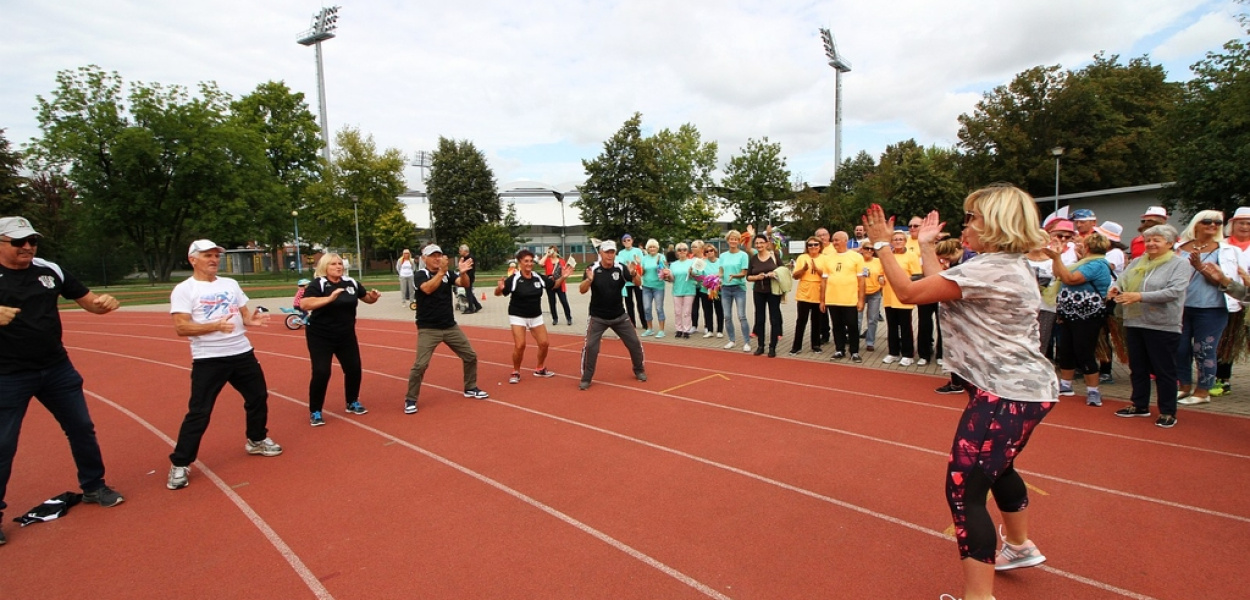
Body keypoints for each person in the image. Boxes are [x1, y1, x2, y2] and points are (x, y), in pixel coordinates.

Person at [865, 185, 1056, 600]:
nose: (966, 225)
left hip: (1005, 392)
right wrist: (925, 246)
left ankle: (978, 596)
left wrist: (883, 245)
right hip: (1020, 390)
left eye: (974, 218)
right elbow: (941, 285)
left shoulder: (993, 268)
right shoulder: (999, 264)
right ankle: (1020, 546)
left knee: (965, 489)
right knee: (999, 467)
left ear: (998, 224)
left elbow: (910, 293)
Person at [0, 216, 124, 545]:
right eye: (17, 242)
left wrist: (104, 305)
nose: (27, 246)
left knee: (81, 426)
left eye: (31, 240)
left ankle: (94, 486)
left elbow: (89, 302)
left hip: (56, 368)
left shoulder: (48, 269)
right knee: (3, 444)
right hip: (8, 374)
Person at [169, 240, 282, 491]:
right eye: (207, 255)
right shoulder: (184, 290)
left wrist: (252, 321)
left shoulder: (230, 284)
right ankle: (180, 463)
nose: (213, 259)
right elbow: (181, 327)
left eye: (216, 256)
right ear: (193, 259)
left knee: (258, 397)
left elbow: (244, 316)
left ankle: (256, 439)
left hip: (242, 352)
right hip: (209, 358)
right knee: (200, 411)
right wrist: (215, 326)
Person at [1108, 224, 1190, 428]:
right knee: (1138, 367)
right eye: (1148, 240)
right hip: (1134, 321)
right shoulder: (1137, 261)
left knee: (1164, 370)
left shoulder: (1179, 264)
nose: (1151, 244)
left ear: (1170, 243)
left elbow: (1174, 292)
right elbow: (1122, 280)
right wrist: (1115, 289)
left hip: (1163, 324)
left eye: (1157, 240)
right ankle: (1139, 404)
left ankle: (1168, 411)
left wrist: (1139, 296)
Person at [298, 253, 381, 427]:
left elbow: (367, 299)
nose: (338, 266)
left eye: (340, 263)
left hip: (345, 335)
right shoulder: (318, 284)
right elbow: (305, 304)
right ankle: (315, 411)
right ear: (325, 267)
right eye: (333, 264)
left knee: (354, 369)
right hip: (320, 336)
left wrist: (373, 297)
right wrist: (329, 298)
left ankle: (352, 402)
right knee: (322, 372)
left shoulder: (350, 283)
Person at [404, 245, 489, 414]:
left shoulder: (448, 274)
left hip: (450, 326)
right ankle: (410, 398)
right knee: (420, 365)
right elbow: (427, 289)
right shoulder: (421, 274)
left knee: (470, 356)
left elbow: (464, 284)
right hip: (428, 328)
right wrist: (442, 272)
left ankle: (470, 387)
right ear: (424, 259)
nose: (437, 258)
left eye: (439, 255)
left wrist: (463, 273)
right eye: (433, 256)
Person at [1175, 210, 1240, 405]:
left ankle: (1203, 391)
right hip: (1180, 307)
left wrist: (1200, 267)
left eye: (1218, 222)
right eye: (1207, 221)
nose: (1213, 225)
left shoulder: (1227, 250)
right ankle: (1183, 386)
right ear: (1196, 223)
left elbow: (1227, 282)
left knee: (1204, 348)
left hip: (1212, 307)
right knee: (1179, 348)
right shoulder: (1178, 248)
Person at [1045, 233, 1114, 407]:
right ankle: (1066, 385)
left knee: (1084, 351)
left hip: (1087, 314)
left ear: (1087, 248)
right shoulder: (1082, 263)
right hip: (1070, 312)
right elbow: (1059, 274)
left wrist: (1057, 257)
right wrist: (1056, 259)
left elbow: (1070, 279)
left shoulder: (1096, 265)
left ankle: (1093, 390)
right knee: (1066, 348)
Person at [578, 240, 646, 390]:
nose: (610, 255)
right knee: (590, 347)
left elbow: (637, 283)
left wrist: (634, 274)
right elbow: (581, 290)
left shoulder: (621, 268)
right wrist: (589, 280)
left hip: (619, 316)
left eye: (612, 252)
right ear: (600, 253)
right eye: (607, 252)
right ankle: (586, 378)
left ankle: (639, 369)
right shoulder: (592, 269)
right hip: (597, 317)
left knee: (634, 343)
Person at [497, 249, 572, 384]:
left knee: (544, 343)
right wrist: (500, 288)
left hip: (536, 315)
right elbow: (500, 292)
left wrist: (564, 277)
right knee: (520, 345)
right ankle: (516, 371)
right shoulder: (514, 279)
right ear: (520, 262)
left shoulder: (538, 277)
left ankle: (540, 368)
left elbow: (553, 285)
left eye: (531, 261)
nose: (529, 264)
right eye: (526, 261)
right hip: (517, 315)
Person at [1211, 207, 1250, 396]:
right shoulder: (1221, 245)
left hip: (1248, 300)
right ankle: (1222, 379)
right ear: (1232, 225)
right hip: (1227, 300)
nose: (1245, 227)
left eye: (1249, 224)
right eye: (1241, 223)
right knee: (1225, 341)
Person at [820, 231, 865, 361]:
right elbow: (824, 281)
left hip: (850, 299)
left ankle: (854, 351)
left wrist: (861, 300)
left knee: (852, 325)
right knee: (837, 326)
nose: (834, 243)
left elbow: (861, 281)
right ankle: (839, 350)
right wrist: (822, 300)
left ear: (845, 240)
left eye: (837, 240)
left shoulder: (856, 257)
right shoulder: (828, 258)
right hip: (833, 299)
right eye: (833, 240)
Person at [881, 230, 922, 365]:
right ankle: (893, 352)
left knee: (905, 326)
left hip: (903, 296)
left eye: (900, 239)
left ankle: (908, 354)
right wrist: (880, 277)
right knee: (891, 326)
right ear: (891, 242)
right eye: (895, 239)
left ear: (905, 241)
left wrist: (904, 280)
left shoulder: (911, 256)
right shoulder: (888, 256)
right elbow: (881, 272)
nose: (898, 241)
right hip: (888, 296)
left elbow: (917, 275)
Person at [747, 233, 783, 357]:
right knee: (760, 319)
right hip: (758, 292)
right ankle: (760, 345)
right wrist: (757, 277)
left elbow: (783, 272)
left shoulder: (774, 256)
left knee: (774, 318)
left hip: (773, 291)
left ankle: (772, 347)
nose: (759, 245)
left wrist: (774, 274)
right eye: (756, 243)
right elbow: (748, 277)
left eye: (761, 242)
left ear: (767, 243)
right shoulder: (753, 259)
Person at [790, 236, 826, 355]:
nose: (813, 247)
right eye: (810, 245)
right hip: (804, 293)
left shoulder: (825, 258)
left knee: (817, 321)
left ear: (820, 246)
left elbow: (827, 276)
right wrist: (804, 269)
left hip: (818, 292)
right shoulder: (802, 258)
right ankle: (796, 346)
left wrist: (817, 269)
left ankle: (815, 345)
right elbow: (795, 276)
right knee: (801, 320)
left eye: (816, 244)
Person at [719, 230, 752, 351]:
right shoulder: (722, 256)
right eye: (731, 239)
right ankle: (731, 340)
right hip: (725, 289)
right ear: (727, 240)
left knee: (741, 316)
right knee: (727, 316)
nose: (733, 241)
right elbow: (721, 271)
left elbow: (744, 273)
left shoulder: (743, 255)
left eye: (736, 239)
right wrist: (716, 278)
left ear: (739, 241)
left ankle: (747, 342)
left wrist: (734, 276)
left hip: (739, 288)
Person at [639, 238, 669, 338]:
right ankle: (649, 329)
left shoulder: (661, 256)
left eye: (654, 247)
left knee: (659, 308)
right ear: (647, 248)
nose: (652, 249)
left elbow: (665, 271)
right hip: (646, 286)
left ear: (657, 248)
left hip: (658, 287)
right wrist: (638, 266)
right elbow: (642, 273)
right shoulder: (644, 258)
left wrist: (658, 264)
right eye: (650, 247)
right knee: (647, 308)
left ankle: (661, 330)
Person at [858, 244, 884, 352]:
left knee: (872, 319)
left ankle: (870, 342)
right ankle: (854, 340)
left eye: (871, 249)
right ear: (862, 250)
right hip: (859, 292)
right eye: (866, 248)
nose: (869, 250)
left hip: (874, 292)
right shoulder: (857, 260)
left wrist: (882, 282)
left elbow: (882, 275)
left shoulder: (878, 262)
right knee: (857, 319)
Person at [617, 234, 645, 327]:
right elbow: (620, 265)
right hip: (627, 282)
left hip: (637, 280)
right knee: (629, 304)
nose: (627, 242)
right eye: (624, 241)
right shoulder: (621, 253)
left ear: (632, 241)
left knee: (640, 303)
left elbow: (641, 264)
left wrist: (637, 263)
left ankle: (644, 323)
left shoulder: (637, 251)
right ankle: (632, 323)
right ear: (622, 242)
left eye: (628, 240)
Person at [669, 243, 697, 338]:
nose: (682, 252)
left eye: (684, 249)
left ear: (687, 251)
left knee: (687, 312)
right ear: (677, 252)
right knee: (677, 311)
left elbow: (696, 275)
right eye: (679, 250)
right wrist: (667, 275)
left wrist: (692, 272)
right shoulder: (673, 264)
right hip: (677, 290)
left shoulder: (692, 262)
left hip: (689, 289)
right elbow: (672, 279)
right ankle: (679, 329)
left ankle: (686, 330)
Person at [541, 246, 574, 326]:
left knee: (564, 301)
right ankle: (555, 318)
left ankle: (569, 318)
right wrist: (547, 255)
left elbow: (566, 271)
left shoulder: (561, 261)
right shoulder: (547, 261)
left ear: (556, 251)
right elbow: (540, 263)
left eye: (552, 250)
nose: (551, 252)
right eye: (550, 250)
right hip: (550, 284)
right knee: (552, 302)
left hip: (560, 283)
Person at [696, 245, 724, 338]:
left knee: (719, 310)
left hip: (718, 290)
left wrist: (718, 280)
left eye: (711, 250)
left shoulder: (721, 261)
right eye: (707, 251)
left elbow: (723, 274)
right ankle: (709, 330)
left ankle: (720, 330)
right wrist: (706, 280)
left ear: (715, 251)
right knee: (707, 311)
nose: (709, 252)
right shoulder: (703, 262)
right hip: (705, 290)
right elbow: (699, 276)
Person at [459, 245, 482, 314]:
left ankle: (471, 308)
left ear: (465, 251)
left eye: (461, 250)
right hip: (467, 277)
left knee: (468, 293)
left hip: (469, 277)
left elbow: (470, 270)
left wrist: (466, 277)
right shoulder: (465, 258)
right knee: (469, 292)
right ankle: (477, 305)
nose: (459, 252)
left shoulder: (470, 258)